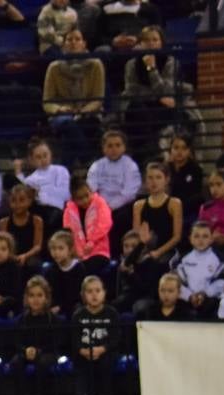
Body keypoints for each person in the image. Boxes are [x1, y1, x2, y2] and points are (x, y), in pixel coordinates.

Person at [41, 29, 104, 168]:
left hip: (88, 113)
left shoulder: (95, 65)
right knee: (68, 125)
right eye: (69, 40)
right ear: (63, 45)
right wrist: (60, 109)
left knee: (69, 137)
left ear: (84, 43)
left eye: (77, 39)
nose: (74, 43)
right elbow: (47, 101)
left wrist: (82, 112)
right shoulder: (54, 67)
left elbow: (98, 98)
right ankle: (87, 160)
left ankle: (65, 173)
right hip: (63, 115)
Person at [121, 25, 182, 161]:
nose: (151, 43)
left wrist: (152, 68)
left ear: (161, 42)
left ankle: (143, 156)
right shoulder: (132, 64)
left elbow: (167, 90)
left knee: (145, 115)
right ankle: (148, 154)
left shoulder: (170, 62)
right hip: (140, 106)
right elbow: (131, 90)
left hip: (162, 109)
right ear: (140, 43)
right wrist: (158, 97)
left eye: (155, 39)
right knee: (136, 109)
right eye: (147, 40)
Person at [13, 276, 65, 395]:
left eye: (39, 295)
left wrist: (39, 351)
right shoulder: (21, 320)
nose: (35, 299)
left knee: (42, 362)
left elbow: (56, 343)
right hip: (27, 352)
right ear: (26, 298)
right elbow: (16, 342)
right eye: (31, 295)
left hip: (47, 353)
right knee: (16, 362)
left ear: (46, 298)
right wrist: (25, 350)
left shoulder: (54, 320)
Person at [85, 130, 141, 244]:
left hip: (122, 206)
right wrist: (101, 206)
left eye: (118, 145)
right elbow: (91, 188)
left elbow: (129, 193)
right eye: (110, 146)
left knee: (121, 218)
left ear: (124, 147)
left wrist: (110, 207)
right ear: (103, 148)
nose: (114, 149)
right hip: (99, 205)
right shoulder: (97, 166)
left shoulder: (130, 165)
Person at [72, 275, 119, 395]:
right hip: (84, 352)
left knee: (105, 361)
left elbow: (115, 337)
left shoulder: (111, 313)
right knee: (80, 363)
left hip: (105, 351)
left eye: (98, 291)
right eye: (90, 291)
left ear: (104, 293)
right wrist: (82, 350)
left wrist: (102, 349)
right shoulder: (78, 315)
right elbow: (74, 338)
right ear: (83, 295)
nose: (94, 295)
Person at [133, 161, 182, 276]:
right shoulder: (138, 205)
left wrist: (158, 252)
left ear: (167, 179)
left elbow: (176, 237)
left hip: (166, 251)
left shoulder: (174, 203)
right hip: (144, 250)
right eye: (150, 178)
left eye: (158, 177)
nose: (154, 182)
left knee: (154, 266)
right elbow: (135, 235)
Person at [172, 221, 224, 320]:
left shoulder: (219, 259)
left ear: (211, 239)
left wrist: (204, 294)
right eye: (196, 236)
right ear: (190, 239)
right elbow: (176, 281)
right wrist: (189, 296)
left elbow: (221, 281)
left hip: (211, 302)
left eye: (205, 236)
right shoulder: (183, 259)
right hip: (187, 301)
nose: (200, 240)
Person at [62, 173, 113, 273]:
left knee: (87, 268)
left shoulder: (99, 203)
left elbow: (105, 223)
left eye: (87, 195)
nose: (85, 200)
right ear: (74, 199)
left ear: (91, 191)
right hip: (78, 254)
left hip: (99, 251)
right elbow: (68, 233)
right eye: (80, 198)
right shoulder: (68, 211)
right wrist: (77, 252)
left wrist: (92, 241)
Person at [14, 139, 71, 224]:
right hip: (40, 211)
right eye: (38, 157)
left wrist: (40, 192)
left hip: (59, 210)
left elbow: (65, 194)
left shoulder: (61, 170)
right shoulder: (31, 179)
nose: (43, 159)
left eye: (45, 155)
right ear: (32, 160)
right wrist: (18, 172)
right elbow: (22, 189)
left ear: (50, 154)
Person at [166, 134, 203, 250]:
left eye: (184, 148)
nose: (179, 152)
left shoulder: (195, 170)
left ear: (189, 151)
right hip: (168, 210)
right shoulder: (165, 169)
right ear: (170, 150)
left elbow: (196, 196)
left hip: (188, 211)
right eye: (176, 148)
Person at [0, 183, 46, 270]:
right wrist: (13, 257)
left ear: (30, 201)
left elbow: (37, 246)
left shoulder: (37, 221)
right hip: (10, 257)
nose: (17, 204)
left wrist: (25, 256)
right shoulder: (3, 222)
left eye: (21, 200)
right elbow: (3, 245)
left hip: (30, 257)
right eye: (13, 200)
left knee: (33, 264)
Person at [44, 229, 86, 315]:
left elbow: (78, 295)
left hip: (73, 307)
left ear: (70, 250)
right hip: (56, 308)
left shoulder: (79, 268)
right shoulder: (50, 270)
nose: (56, 252)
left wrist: (61, 307)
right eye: (53, 249)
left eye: (60, 248)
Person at [197, 169, 224, 248]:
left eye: (219, 184)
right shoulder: (205, 208)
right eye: (211, 185)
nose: (214, 189)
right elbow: (200, 232)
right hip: (211, 247)